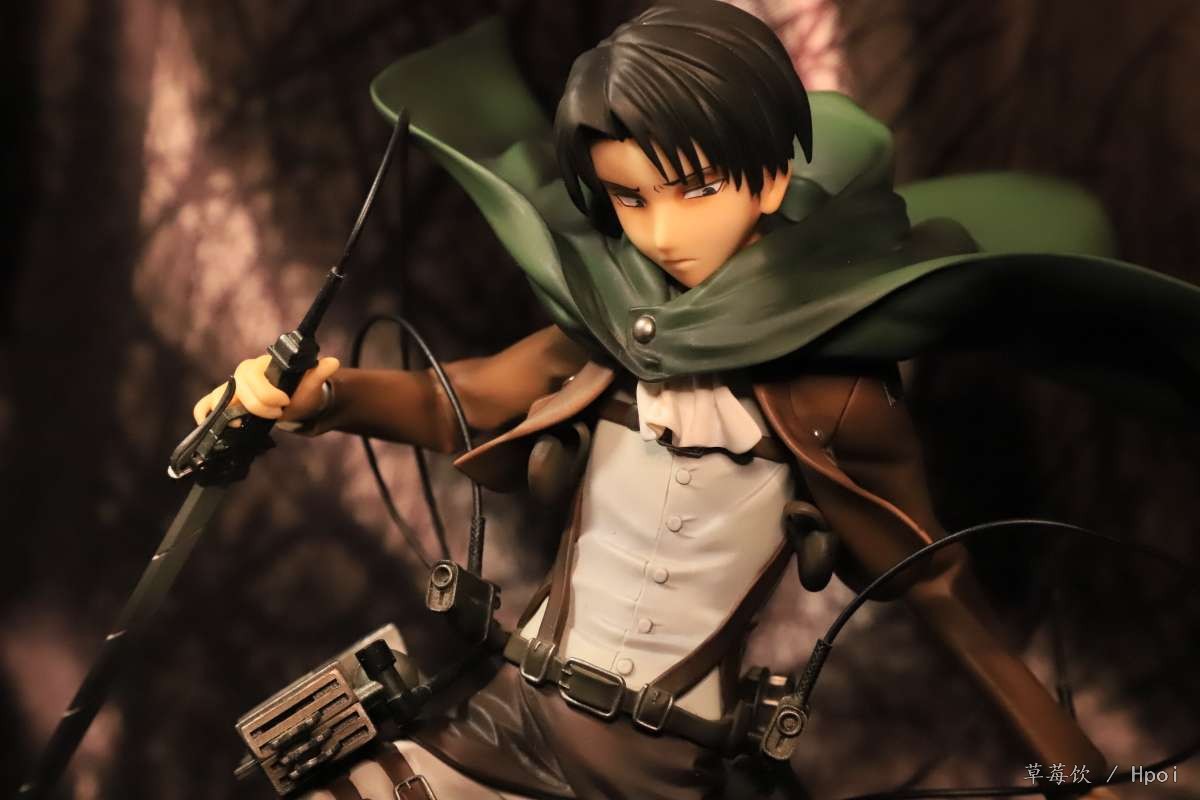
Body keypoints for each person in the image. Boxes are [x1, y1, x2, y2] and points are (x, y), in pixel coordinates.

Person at [194, 2, 1182, 797]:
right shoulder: (617, 329)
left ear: (770, 178)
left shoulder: (832, 393)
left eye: (695, 189)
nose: (662, 233)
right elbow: (470, 398)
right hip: (509, 715)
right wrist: (325, 393)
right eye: (630, 198)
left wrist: (1082, 775)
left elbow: (937, 587)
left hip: (665, 764)